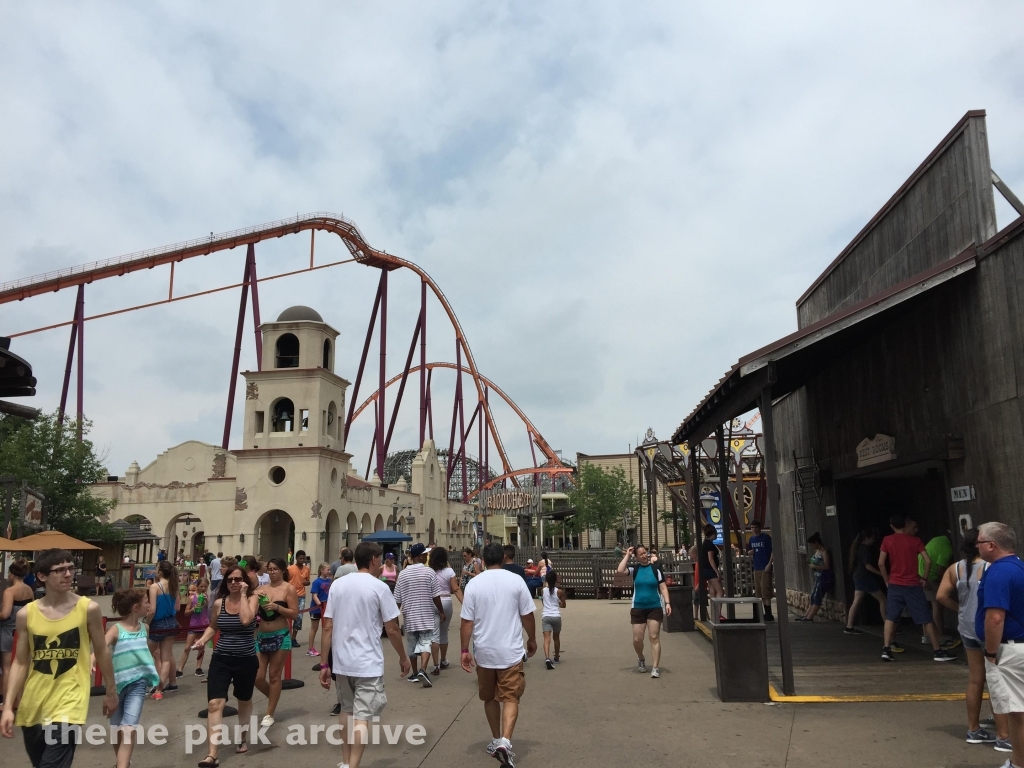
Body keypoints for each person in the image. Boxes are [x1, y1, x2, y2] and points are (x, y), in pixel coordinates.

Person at [0, 549, 118, 768]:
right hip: (34, 704)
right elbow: (21, 662)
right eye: (60, 570)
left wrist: (111, 690)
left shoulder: (87, 609)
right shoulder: (27, 614)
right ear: (42, 577)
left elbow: (102, 650)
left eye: (70, 568)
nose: (68, 574)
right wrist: (8, 706)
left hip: (69, 703)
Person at [319, 542, 412, 768]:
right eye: (379, 559)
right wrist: (403, 656)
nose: (381, 564)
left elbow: (327, 626)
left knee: (346, 710)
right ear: (373, 559)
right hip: (367, 662)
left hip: (342, 661)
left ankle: (345, 762)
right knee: (362, 716)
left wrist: (324, 662)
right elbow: (392, 628)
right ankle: (353, 765)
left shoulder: (338, 586)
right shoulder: (379, 587)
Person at [460, 542, 537, 767]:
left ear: (482, 560)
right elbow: (528, 616)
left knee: (489, 697)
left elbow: (466, 622)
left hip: (484, 651)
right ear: (503, 558)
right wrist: (531, 640)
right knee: (511, 697)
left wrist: (465, 650)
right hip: (510, 651)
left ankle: (496, 739)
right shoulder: (516, 581)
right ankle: (505, 740)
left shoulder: (474, 584)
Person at [937, 528, 1011, 750]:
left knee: (975, 680)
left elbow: (941, 595)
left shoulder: (956, 568)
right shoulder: (991, 567)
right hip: (988, 630)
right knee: (997, 681)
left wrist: (960, 608)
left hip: (967, 628)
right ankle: (1003, 735)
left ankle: (973, 729)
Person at [190, 564, 260, 765]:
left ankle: (242, 737)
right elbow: (213, 626)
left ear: (244, 582)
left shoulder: (252, 599)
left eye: (238, 579)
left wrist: (245, 595)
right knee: (214, 704)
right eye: (230, 580)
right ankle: (213, 753)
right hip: (221, 658)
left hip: (245, 659)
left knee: (244, 699)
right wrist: (203, 640)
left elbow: (247, 620)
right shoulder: (219, 603)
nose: (234, 583)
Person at [975, 521, 1024, 768]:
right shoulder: (1019, 567)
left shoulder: (998, 571)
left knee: (1017, 713)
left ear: (991, 545)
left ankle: (1018, 763)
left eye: (979, 542)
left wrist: (991, 653)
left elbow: (995, 616)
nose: (977, 546)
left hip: (1010, 649)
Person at [879, 514, 956, 662]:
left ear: (892, 526)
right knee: (925, 618)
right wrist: (924, 578)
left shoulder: (887, 540)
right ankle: (937, 651)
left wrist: (887, 580)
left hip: (895, 583)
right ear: (905, 525)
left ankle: (886, 649)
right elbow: (928, 561)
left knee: (891, 616)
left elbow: (881, 563)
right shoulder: (915, 541)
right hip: (913, 584)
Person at [106, 588, 160, 768]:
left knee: (128, 728)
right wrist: (91, 660)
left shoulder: (145, 628)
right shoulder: (116, 630)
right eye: (146, 602)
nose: (149, 605)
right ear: (136, 607)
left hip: (138, 683)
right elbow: (101, 647)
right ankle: (123, 762)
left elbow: (144, 653)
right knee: (116, 730)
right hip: (117, 686)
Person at [253, 557, 299, 727]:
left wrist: (277, 607)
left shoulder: (289, 589)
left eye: (275, 569)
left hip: (281, 634)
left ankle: (269, 712)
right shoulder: (261, 589)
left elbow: (294, 613)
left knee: (274, 675)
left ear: (282, 570)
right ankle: (274, 696)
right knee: (257, 677)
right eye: (269, 569)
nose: (272, 572)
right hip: (261, 635)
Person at [617, 544, 671, 678]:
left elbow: (663, 587)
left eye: (645, 552)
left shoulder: (655, 569)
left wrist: (667, 602)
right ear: (636, 556)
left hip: (654, 606)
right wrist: (628, 555)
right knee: (637, 639)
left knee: (654, 637)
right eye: (640, 554)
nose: (644, 555)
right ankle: (641, 658)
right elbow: (620, 570)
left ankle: (655, 667)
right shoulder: (634, 569)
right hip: (638, 607)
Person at [393, 543, 444, 687]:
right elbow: (436, 596)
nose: (427, 555)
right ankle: (423, 669)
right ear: (419, 556)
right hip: (426, 614)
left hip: (409, 614)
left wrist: (394, 618)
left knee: (412, 644)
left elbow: (397, 599)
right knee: (426, 641)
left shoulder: (402, 574)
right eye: (425, 554)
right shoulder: (429, 572)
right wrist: (441, 611)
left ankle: (414, 673)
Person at [0, 558, 34, 702]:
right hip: (24, 632)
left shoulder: (10, 591)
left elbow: (5, 613)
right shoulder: (29, 590)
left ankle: (6, 701)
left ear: (12, 574)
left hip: (8, 631)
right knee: (21, 666)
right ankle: (19, 701)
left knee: (7, 668)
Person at [844, 528, 889, 635]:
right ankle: (888, 625)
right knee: (883, 599)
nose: (874, 541)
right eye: (873, 538)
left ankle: (849, 626)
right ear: (867, 538)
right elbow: (868, 566)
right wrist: (883, 575)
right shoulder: (864, 549)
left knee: (857, 601)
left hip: (857, 576)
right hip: (865, 577)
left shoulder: (857, 548)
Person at [146, 560, 180, 697]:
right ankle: (160, 689)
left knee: (146, 654)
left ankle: (149, 683)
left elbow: (152, 609)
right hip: (171, 623)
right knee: (166, 658)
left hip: (158, 624)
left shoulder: (155, 587)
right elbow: (177, 607)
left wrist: (146, 623)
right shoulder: (174, 586)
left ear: (159, 572)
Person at [429, 547, 463, 675]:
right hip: (446, 601)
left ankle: (435, 664)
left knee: (434, 634)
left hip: (432, 602)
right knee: (444, 632)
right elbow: (455, 589)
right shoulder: (449, 571)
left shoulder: (429, 571)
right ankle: (443, 660)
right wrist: (465, 603)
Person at [921, 530, 955, 646]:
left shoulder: (937, 539)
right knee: (937, 605)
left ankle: (926, 635)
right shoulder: (947, 549)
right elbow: (941, 571)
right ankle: (939, 636)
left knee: (926, 607)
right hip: (929, 576)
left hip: (920, 574)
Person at [177, 578, 211, 677]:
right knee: (187, 647)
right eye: (201, 586)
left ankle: (198, 668)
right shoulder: (192, 598)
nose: (203, 588)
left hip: (204, 624)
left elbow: (210, 610)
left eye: (205, 586)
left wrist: (206, 601)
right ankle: (180, 669)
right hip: (194, 624)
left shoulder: (207, 597)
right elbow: (186, 613)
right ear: (197, 586)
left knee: (201, 646)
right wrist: (193, 608)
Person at [797, 533, 833, 622]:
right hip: (817, 577)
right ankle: (807, 614)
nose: (812, 546)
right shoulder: (817, 552)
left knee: (817, 596)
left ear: (816, 542)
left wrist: (815, 567)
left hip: (823, 577)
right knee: (813, 596)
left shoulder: (824, 552)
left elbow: (827, 566)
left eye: (812, 544)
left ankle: (810, 616)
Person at [746, 521, 774, 621]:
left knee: (766, 590)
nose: (754, 529)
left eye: (756, 527)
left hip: (765, 566)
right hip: (756, 567)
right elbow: (749, 551)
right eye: (752, 528)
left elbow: (772, 551)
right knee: (759, 591)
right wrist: (750, 552)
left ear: (760, 528)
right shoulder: (751, 539)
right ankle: (764, 613)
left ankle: (769, 613)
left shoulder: (766, 538)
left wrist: (770, 564)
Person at [541, 569, 566, 670]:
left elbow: (543, 603)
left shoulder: (543, 590)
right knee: (556, 638)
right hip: (556, 615)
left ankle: (547, 657)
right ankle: (556, 657)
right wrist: (559, 603)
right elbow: (564, 605)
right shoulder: (559, 591)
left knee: (547, 639)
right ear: (556, 580)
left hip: (546, 615)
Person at [307, 563, 332, 656]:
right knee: (314, 628)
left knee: (326, 628)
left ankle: (326, 648)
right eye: (327, 570)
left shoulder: (330, 581)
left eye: (330, 570)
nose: (329, 571)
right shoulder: (316, 582)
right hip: (316, 609)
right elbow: (314, 595)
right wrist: (320, 605)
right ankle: (310, 648)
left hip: (327, 608)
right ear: (321, 570)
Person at [287, 550, 310, 645]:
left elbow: (308, 581)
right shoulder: (290, 569)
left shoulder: (306, 569)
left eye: (303, 558)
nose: (302, 560)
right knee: (288, 616)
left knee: (298, 617)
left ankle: (293, 638)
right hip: (290, 595)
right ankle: (286, 637)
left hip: (301, 595)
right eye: (300, 558)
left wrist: (306, 583)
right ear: (296, 558)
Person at [700, 525, 724, 601]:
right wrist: (717, 572)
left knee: (712, 591)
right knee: (720, 591)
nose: (716, 535)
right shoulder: (710, 544)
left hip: (705, 569)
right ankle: (717, 611)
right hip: (711, 570)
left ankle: (714, 611)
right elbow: (711, 559)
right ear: (712, 534)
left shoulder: (704, 543)